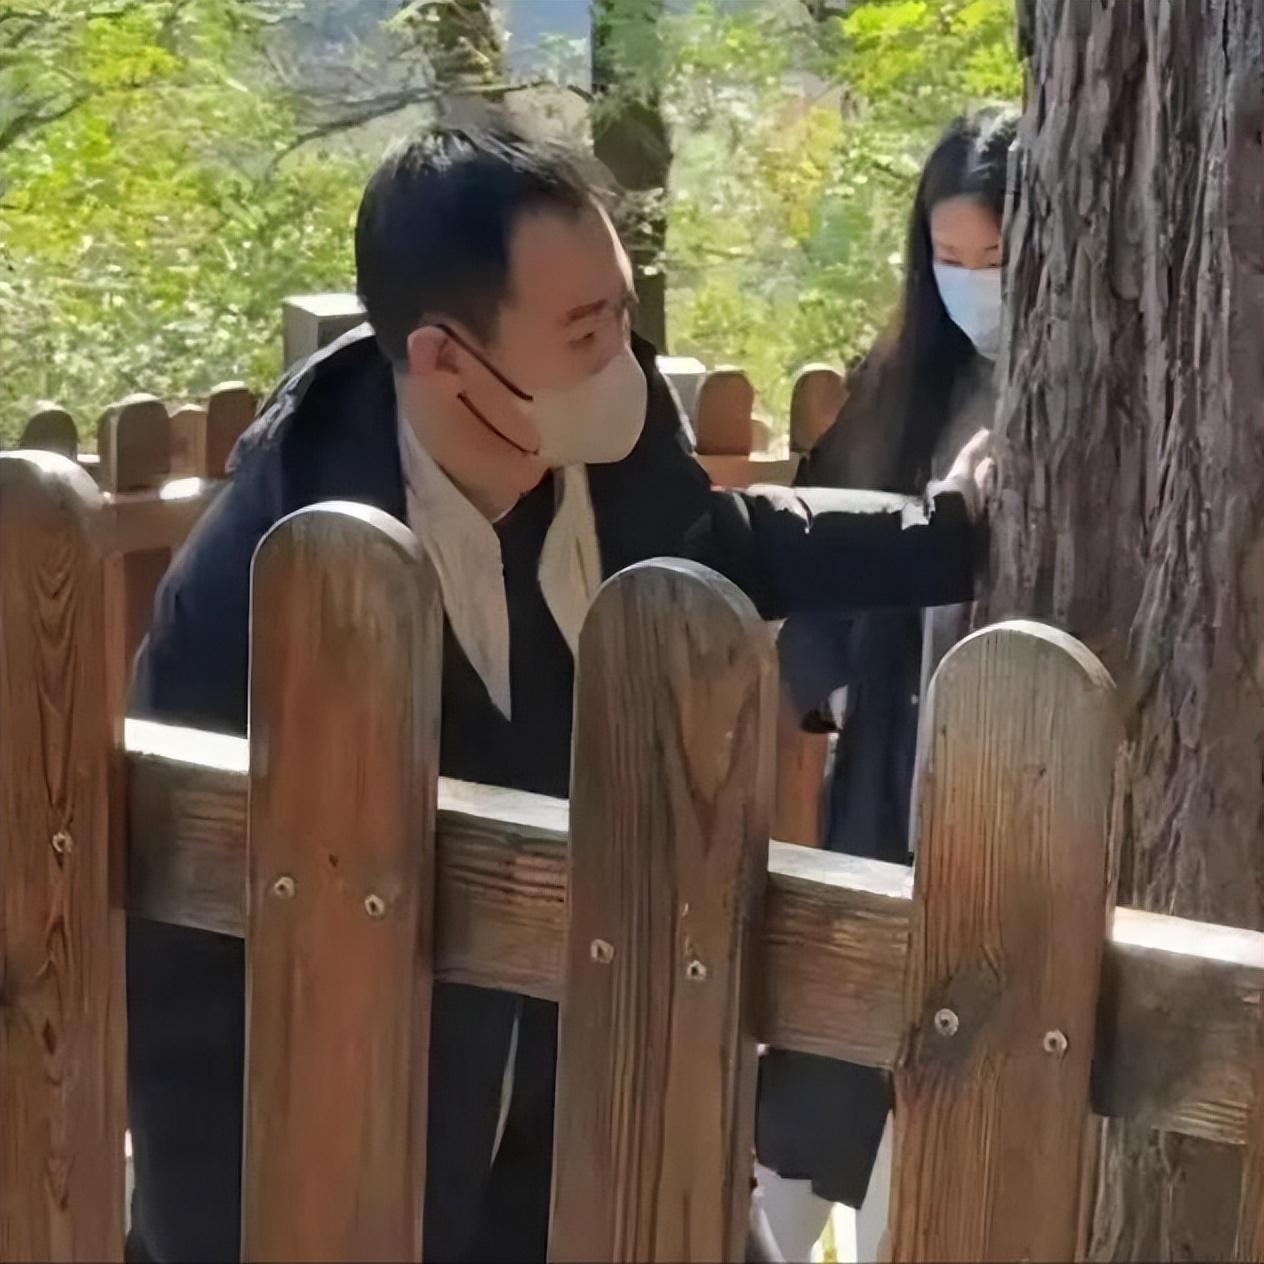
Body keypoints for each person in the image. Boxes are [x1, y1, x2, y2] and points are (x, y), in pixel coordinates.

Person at [124, 124, 993, 1264]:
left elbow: (716, 544)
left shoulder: (606, 445)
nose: (619, 359)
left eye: (619, 313)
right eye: (584, 331)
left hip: (587, 1112)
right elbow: (185, 977)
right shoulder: (262, 587)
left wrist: (947, 531)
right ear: (444, 359)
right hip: (359, 1163)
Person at [755, 106, 1019, 1259]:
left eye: (992, 259)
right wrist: (835, 684)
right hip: (878, 788)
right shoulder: (901, 382)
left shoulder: (1088, 388)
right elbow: (811, 555)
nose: (970, 287)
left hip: (1004, 796)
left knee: (939, 1129)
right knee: (815, 1092)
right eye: (947, 258)